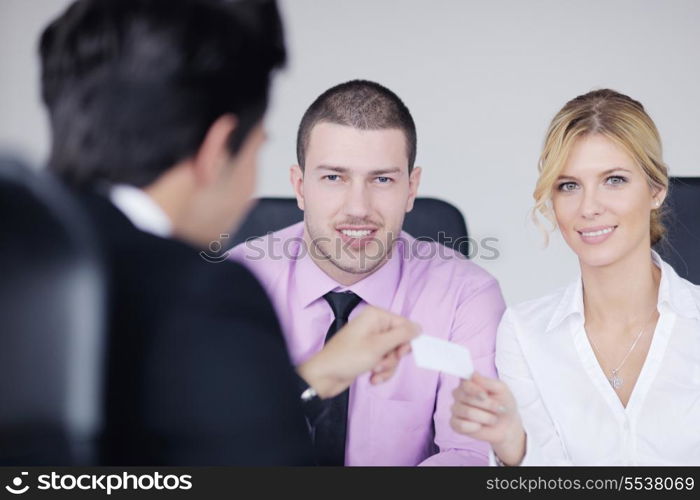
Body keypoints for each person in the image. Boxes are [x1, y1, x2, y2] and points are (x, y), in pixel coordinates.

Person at [39, 0, 418, 465]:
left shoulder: (26, 251)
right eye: (257, 148)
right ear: (219, 149)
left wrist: (305, 381)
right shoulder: (209, 296)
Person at [231, 79, 506, 465]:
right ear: (299, 186)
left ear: (411, 188)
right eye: (333, 177)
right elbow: (211, 444)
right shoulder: (235, 281)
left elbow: (469, 455)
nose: (358, 207)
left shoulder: (467, 296)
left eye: (382, 179)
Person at [450, 89, 700, 465]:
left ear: (656, 189)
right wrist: (513, 446)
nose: (589, 207)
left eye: (614, 180)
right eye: (569, 186)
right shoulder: (524, 332)